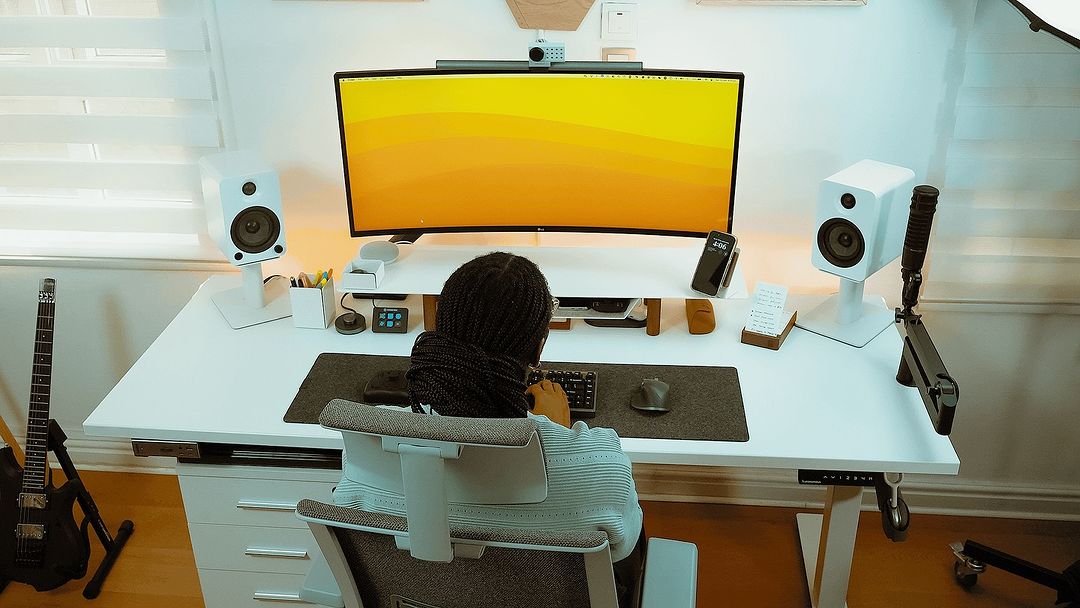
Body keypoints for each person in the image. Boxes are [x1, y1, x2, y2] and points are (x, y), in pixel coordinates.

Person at [333, 251, 644, 606]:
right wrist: (554, 430)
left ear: (439, 331)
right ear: (538, 347)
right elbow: (621, 549)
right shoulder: (602, 468)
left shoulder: (368, 453)